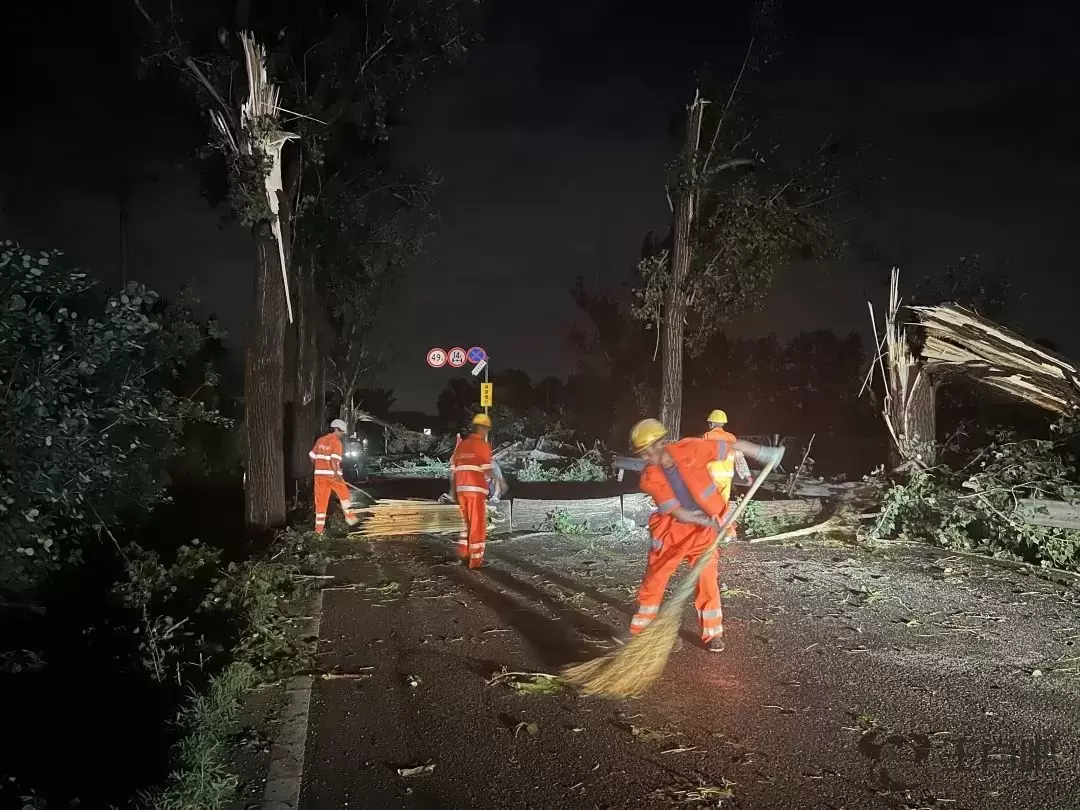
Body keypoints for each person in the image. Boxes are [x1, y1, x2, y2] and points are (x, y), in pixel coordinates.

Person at [628, 417, 783, 652]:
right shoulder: (650, 477)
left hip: (702, 533)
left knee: (707, 577)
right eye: (641, 454)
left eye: (645, 452)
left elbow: (731, 446)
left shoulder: (691, 447)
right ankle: (641, 631)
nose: (644, 458)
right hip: (672, 532)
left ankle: (712, 633)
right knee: (655, 580)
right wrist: (709, 521)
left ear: (659, 444)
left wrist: (763, 453)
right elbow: (678, 512)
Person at [450, 413, 504, 568]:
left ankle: (464, 553)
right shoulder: (482, 445)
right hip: (475, 491)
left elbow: (454, 472)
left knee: (466, 523)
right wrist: (500, 481)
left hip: (461, 491)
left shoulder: (462, 446)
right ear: (482, 428)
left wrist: (454, 492)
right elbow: (488, 470)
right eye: (486, 429)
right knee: (477, 524)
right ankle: (476, 560)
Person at [703, 409, 752, 539]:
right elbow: (739, 457)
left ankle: (710, 533)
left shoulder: (707, 437)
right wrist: (747, 475)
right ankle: (729, 534)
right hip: (726, 478)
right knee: (723, 506)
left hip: (711, 478)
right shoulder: (731, 438)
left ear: (711, 423)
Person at [309, 418, 360, 534]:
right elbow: (334, 461)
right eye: (341, 432)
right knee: (344, 494)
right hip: (332, 475)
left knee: (320, 502)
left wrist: (318, 467)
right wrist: (337, 474)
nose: (342, 435)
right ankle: (350, 518)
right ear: (336, 429)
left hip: (319, 476)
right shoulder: (336, 443)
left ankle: (319, 531)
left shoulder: (320, 440)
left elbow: (312, 456)